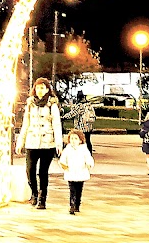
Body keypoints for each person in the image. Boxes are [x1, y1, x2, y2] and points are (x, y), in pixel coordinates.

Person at [16, 76, 63, 209]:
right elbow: (25, 124)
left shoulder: (52, 104)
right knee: (30, 170)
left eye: (42, 88)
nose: (40, 90)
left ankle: (42, 199)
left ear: (47, 89)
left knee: (43, 172)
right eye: (37, 87)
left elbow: (57, 124)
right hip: (32, 142)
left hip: (48, 142)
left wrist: (59, 143)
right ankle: (34, 194)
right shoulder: (30, 104)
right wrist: (21, 142)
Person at [57, 127, 95, 214]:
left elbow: (88, 158)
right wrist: (64, 165)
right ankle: (72, 205)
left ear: (80, 140)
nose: (73, 141)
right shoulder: (67, 149)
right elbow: (63, 159)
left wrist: (89, 164)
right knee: (72, 190)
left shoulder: (84, 150)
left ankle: (77, 204)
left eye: (76, 138)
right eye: (72, 138)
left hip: (81, 172)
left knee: (79, 190)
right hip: (71, 172)